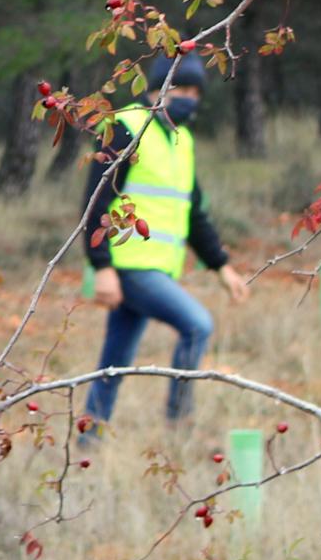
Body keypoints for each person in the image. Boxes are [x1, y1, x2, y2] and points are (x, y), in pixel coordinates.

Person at [76, 51, 251, 429]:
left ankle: (90, 438)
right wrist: (101, 268)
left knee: (114, 360)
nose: (189, 97)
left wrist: (221, 265)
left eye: (195, 91)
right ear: (156, 90)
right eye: (179, 88)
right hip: (130, 266)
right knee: (197, 326)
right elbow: (95, 202)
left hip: (157, 267)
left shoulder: (182, 140)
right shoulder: (125, 126)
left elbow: (192, 211)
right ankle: (179, 423)